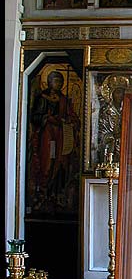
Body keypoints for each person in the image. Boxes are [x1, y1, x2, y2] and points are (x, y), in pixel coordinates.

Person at [29, 70, 80, 211]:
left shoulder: (63, 99)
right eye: (55, 81)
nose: (58, 84)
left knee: (60, 164)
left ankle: (56, 195)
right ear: (49, 82)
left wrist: (70, 121)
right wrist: (47, 118)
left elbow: (73, 116)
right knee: (47, 163)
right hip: (47, 135)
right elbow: (35, 117)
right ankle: (42, 194)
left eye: (60, 82)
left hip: (61, 137)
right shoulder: (42, 97)